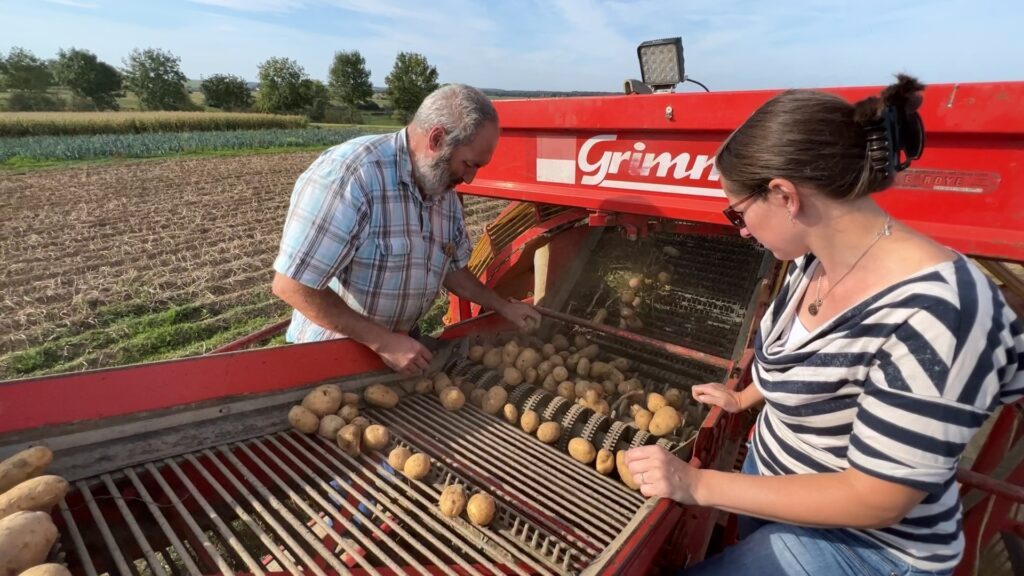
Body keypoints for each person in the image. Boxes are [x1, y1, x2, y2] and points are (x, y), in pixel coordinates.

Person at [624, 75, 1024, 575]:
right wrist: (746, 397)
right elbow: (815, 367)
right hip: (772, 491)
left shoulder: (942, 313)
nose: (742, 229)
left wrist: (696, 485)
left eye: (738, 213)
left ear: (785, 195)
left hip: (861, 545)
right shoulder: (814, 261)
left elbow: (876, 498)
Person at [271, 84, 540, 374]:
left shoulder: (441, 190)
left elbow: (454, 270)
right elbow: (293, 286)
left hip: (400, 351)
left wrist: (502, 306)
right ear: (437, 139)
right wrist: (383, 342)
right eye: (468, 164)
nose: (471, 179)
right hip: (331, 355)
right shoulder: (352, 176)